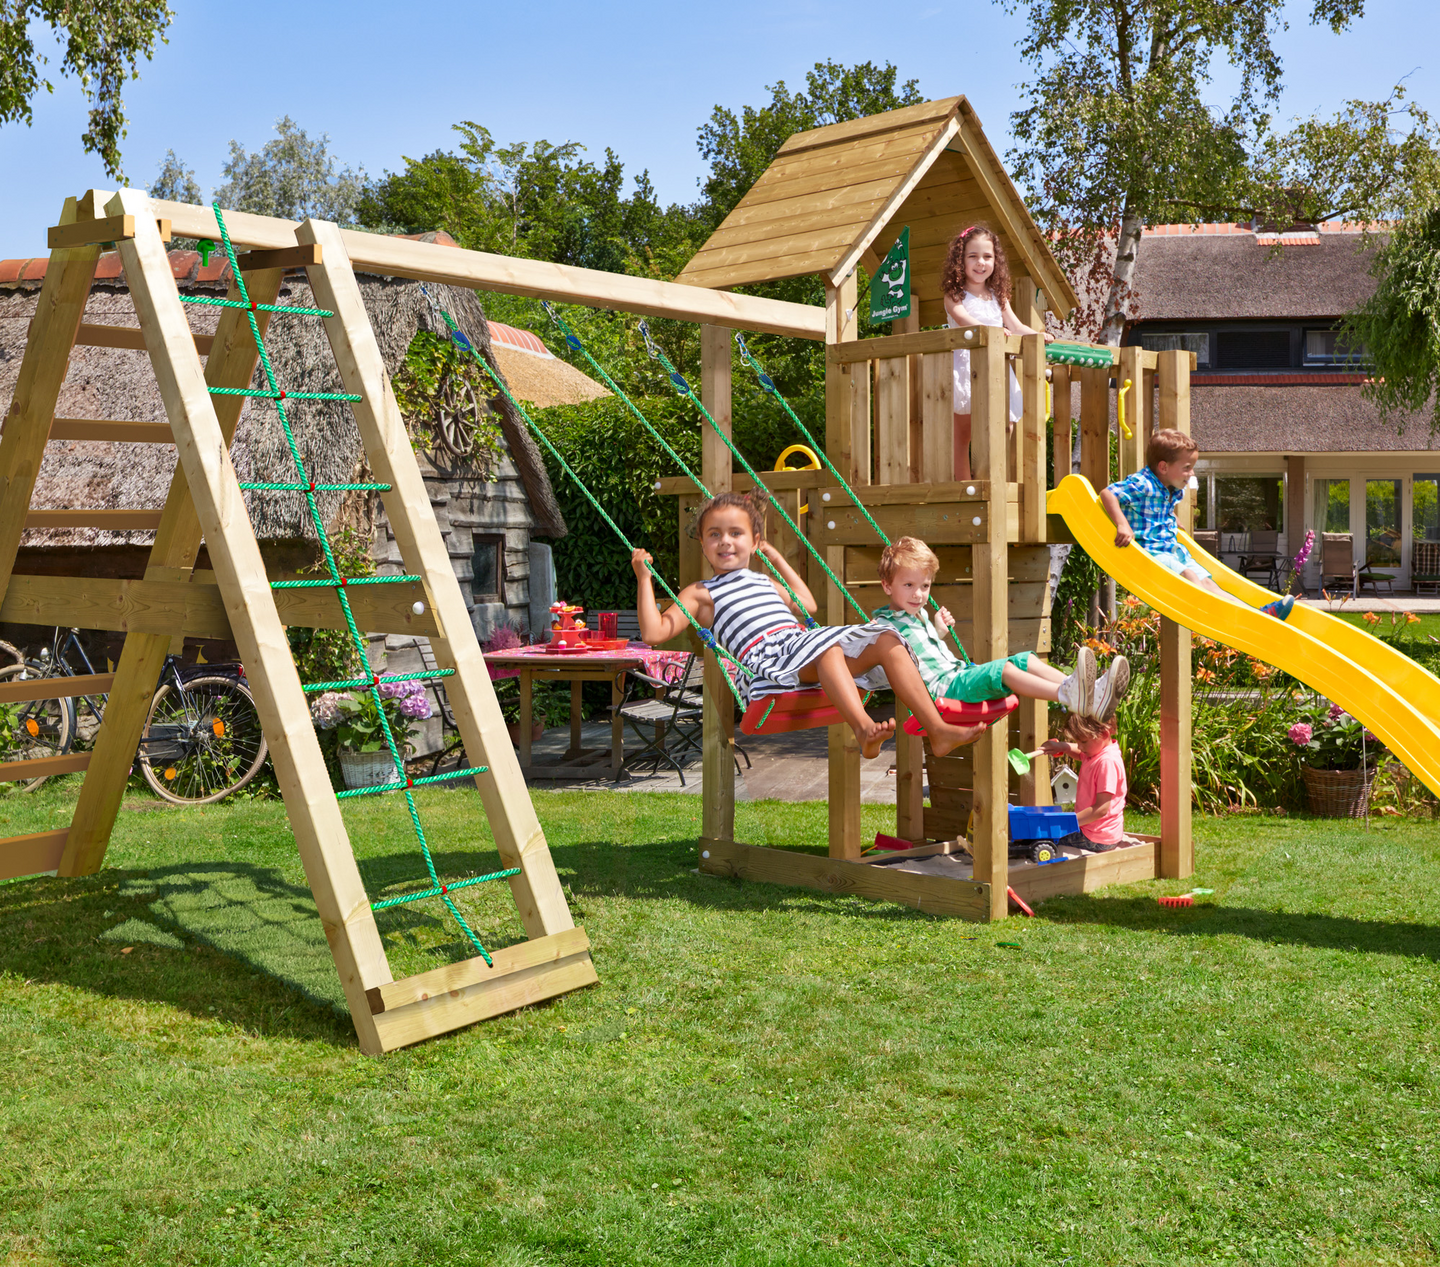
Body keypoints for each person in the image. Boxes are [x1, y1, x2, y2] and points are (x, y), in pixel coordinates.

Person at [630, 493, 986, 759]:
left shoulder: (765, 582)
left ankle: (937, 730)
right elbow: (654, 632)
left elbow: (806, 604)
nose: (725, 541)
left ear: (753, 542)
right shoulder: (701, 593)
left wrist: (776, 557)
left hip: (800, 645)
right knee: (827, 647)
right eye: (714, 534)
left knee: (888, 639)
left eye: (736, 533)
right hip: (767, 661)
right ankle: (864, 730)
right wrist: (644, 578)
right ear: (703, 544)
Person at [868, 536, 1128, 720]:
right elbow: (882, 666)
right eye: (908, 586)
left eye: (924, 586)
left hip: (959, 674)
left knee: (1025, 659)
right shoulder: (882, 626)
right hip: (944, 691)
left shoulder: (919, 615)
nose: (918, 594)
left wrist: (938, 632)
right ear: (887, 586)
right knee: (1002, 670)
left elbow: (920, 655)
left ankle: (1089, 694)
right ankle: (1067, 695)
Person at [1100, 428, 1296, 621]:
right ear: (1163, 467)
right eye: (1186, 467)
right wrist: (1122, 524)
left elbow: (1155, 508)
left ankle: (1257, 616)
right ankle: (1217, 616)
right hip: (1150, 554)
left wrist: (1171, 517)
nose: (1191, 473)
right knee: (1190, 575)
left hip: (1173, 552)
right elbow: (1108, 494)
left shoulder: (1169, 489)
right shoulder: (1143, 483)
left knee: (1209, 584)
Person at [942, 224, 1053, 481]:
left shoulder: (997, 295)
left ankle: (992, 478)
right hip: (967, 366)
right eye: (973, 256)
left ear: (996, 260)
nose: (981, 263)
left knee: (1005, 424)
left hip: (996, 367)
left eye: (987, 257)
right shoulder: (954, 294)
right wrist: (990, 330)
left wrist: (1036, 335)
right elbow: (963, 319)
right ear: (961, 260)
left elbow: (1015, 326)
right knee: (964, 432)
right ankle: (964, 485)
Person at [1041, 713, 1136, 853]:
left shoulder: (1106, 762)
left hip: (1095, 837)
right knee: (1051, 825)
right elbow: (1080, 753)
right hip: (1097, 831)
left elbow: (1101, 808)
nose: (1079, 746)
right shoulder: (1096, 752)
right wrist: (1062, 746)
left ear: (1103, 734)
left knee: (1045, 835)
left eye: (1083, 742)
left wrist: (1068, 823)